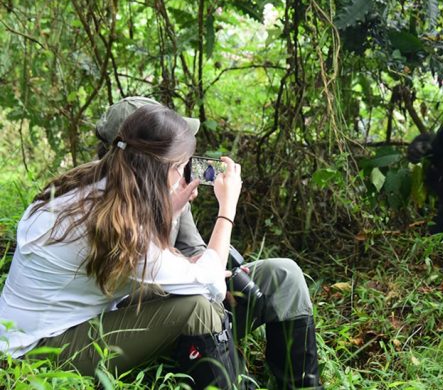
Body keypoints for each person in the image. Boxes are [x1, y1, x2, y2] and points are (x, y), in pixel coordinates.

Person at [0, 104, 243, 389]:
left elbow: (147, 260)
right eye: (181, 167)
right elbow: (213, 285)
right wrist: (227, 207)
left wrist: (170, 211)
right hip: (33, 355)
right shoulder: (120, 229)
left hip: (24, 334)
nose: (185, 175)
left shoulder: (90, 189)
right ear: (161, 170)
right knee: (197, 309)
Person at [94, 97, 323, 390]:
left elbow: (195, 249)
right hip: (148, 319)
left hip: (191, 295)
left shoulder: (169, 182)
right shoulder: (99, 202)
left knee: (283, 274)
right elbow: (120, 285)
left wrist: (212, 267)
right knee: (200, 300)